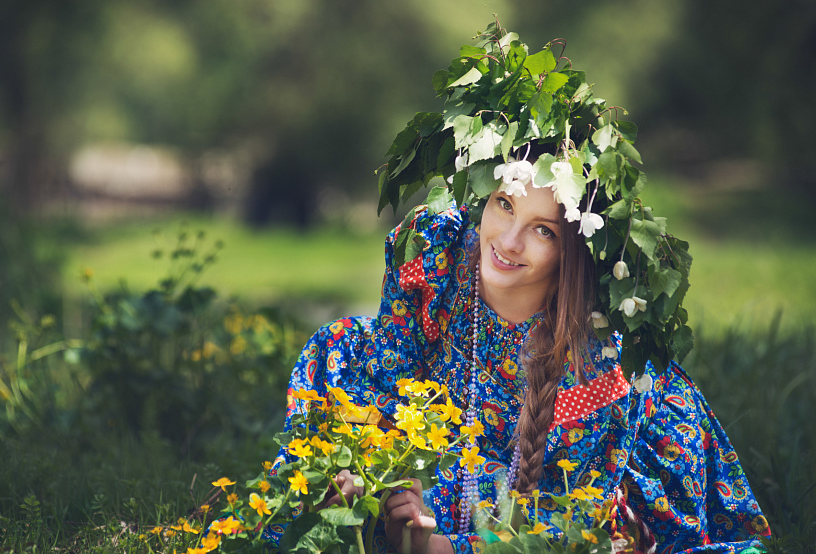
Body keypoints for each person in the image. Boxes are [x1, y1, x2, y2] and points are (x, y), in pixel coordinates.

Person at [267, 24, 770, 554]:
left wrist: (442, 548)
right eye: (504, 204)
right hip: (447, 447)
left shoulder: (598, 356)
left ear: (572, 251)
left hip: (563, 480)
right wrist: (388, 478)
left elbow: (572, 511)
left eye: (543, 230)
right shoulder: (436, 249)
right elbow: (395, 362)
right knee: (338, 349)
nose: (507, 242)